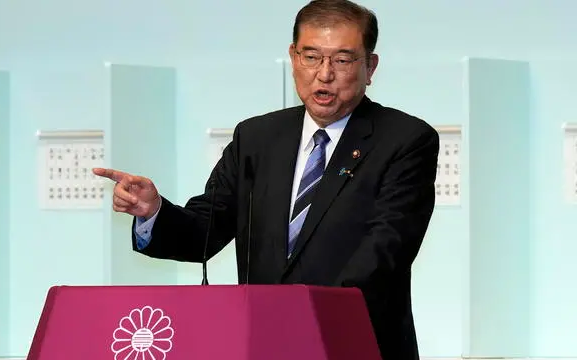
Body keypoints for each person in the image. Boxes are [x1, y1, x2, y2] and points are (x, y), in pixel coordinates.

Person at [93, 0, 439, 358]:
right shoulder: (257, 138)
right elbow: (204, 232)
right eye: (311, 57)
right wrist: (154, 212)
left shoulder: (404, 140)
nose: (324, 73)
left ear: (370, 66)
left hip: (355, 343)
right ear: (293, 58)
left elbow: (386, 251)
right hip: (262, 343)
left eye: (342, 59)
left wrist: (306, 318)